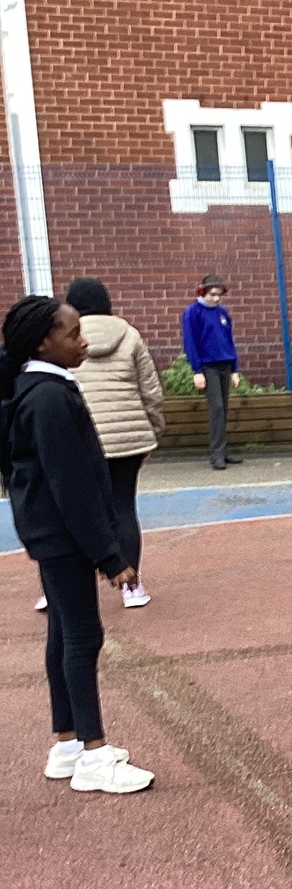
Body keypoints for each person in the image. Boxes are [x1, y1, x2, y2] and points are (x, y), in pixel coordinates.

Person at [0, 295, 155, 793]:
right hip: (62, 535)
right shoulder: (48, 398)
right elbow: (71, 484)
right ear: (43, 342)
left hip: (49, 532)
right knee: (84, 637)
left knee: (63, 633)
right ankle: (93, 754)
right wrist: (110, 556)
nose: (83, 342)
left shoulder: (39, 388)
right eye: (73, 335)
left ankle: (67, 745)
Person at [67, 277, 164, 609]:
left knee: (75, 511)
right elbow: (150, 390)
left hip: (80, 439)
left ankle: (63, 588)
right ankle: (132, 587)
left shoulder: (64, 338)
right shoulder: (130, 335)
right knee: (123, 508)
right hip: (128, 437)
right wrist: (153, 431)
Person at [180, 272, 242, 471]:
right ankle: (217, 454)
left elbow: (229, 341)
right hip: (208, 366)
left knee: (223, 409)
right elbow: (190, 342)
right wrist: (197, 370)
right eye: (212, 294)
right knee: (216, 408)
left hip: (224, 364)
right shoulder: (193, 312)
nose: (216, 299)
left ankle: (222, 451)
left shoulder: (222, 313)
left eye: (218, 295)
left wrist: (234, 369)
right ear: (203, 292)